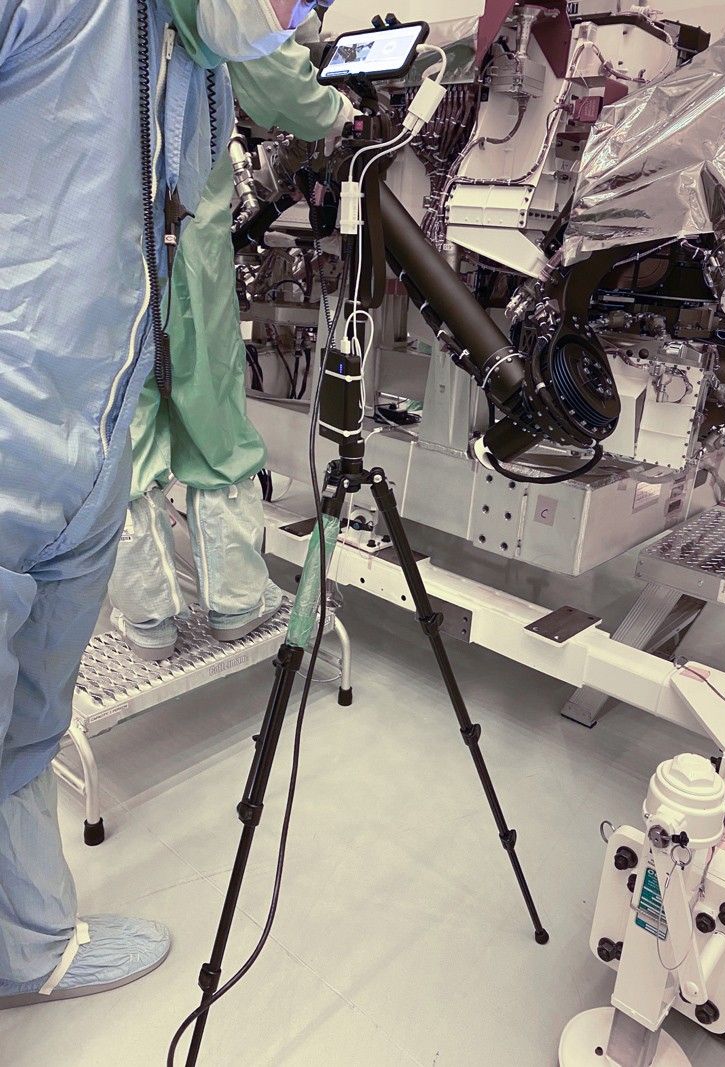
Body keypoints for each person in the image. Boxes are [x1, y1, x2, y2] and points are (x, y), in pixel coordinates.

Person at [0, 0, 307, 1010]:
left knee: (25, 734)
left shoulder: (183, 50)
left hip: (86, 445)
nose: (290, 11)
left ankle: (25, 945)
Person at [109, 17, 353, 659]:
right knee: (213, 415)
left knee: (121, 425)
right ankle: (238, 601)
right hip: (181, 232)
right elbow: (278, 84)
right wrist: (337, 110)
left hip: (92, 246)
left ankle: (148, 618)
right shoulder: (217, 8)